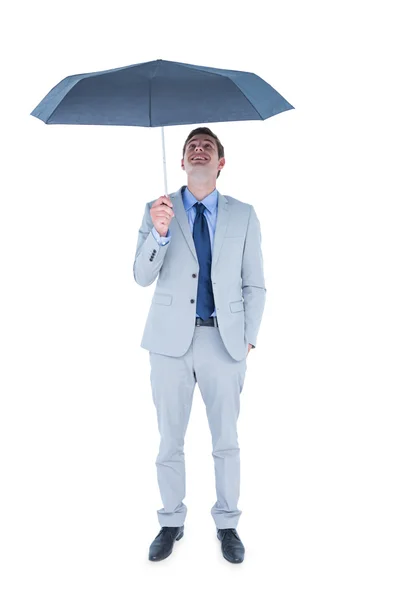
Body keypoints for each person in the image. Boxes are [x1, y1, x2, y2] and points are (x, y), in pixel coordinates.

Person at [133, 127, 266, 563]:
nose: (199, 147)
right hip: (169, 343)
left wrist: (247, 338)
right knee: (169, 439)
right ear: (184, 160)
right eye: (192, 144)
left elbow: (255, 284)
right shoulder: (160, 209)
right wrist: (160, 234)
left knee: (225, 440)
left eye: (208, 145)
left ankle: (227, 523)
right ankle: (171, 520)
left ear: (220, 163)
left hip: (224, 342)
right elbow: (141, 275)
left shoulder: (243, 215)